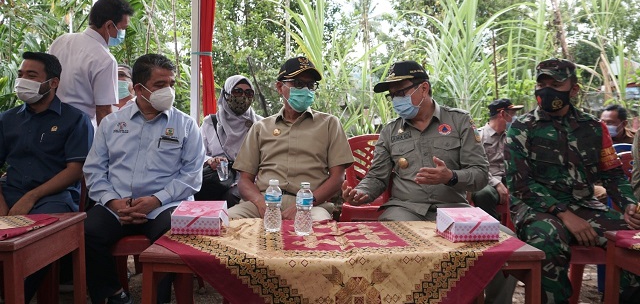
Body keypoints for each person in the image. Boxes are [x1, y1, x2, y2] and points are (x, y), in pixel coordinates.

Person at [341, 60, 516, 304]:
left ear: (423, 88)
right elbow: (376, 177)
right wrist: (360, 193)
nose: (395, 100)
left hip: (455, 212)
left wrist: (451, 176)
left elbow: (479, 175)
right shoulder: (390, 131)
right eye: (392, 95)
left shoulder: (459, 122)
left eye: (401, 92)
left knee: (507, 248)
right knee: (392, 249)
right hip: (404, 210)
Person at [505, 58, 640, 303]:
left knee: (632, 242)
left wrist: (629, 204)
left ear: (574, 89)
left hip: (585, 205)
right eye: (542, 84)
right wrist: (565, 215)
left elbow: (612, 174)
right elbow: (520, 184)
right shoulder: (522, 127)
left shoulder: (593, 127)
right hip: (535, 209)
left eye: (555, 85)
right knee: (549, 239)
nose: (546, 91)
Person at [83, 53, 205, 304]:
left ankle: (157, 299)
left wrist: (156, 200)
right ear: (139, 88)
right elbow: (94, 169)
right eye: (160, 85)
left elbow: (192, 175)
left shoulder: (185, 125)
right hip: (117, 204)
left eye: (171, 84)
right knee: (87, 232)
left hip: (164, 206)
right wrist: (112, 202)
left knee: (172, 235)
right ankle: (112, 294)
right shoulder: (112, 124)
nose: (168, 91)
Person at [0, 51, 93, 302]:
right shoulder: (7, 120)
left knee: (34, 240)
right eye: (21, 75)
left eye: (31, 75)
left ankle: (15, 295)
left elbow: (75, 170)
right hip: (10, 191)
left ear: (53, 83)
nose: (22, 81)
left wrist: (31, 197)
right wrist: (2, 203)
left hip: (55, 196)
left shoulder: (75, 120)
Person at [230, 56, 353, 221]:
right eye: (298, 84)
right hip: (264, 201)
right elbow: (245, 180)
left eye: (310, 85)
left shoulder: (329, 124)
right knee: (225, 223)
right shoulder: (261, 127)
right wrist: (260, 202)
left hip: (311, 204)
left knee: (319, 228)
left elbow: (338, 177)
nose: (306, 90)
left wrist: (304, 203)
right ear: (280, 87)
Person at [49, 0, 134, 128]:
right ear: (109, 25)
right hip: (79, 130)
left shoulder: (61, 41)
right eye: (122, 28)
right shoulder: (105, 59)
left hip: (49, 123)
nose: (122, 33)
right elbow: (104, 111)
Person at [196, 75, 263, 207]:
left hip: (248, 182)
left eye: (248, 93)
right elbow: (197, 154)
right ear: (225, 94)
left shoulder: (260, 124)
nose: (243, 97)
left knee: (232, 197)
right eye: (237, 91)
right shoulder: (211, 123)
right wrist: (210, 161)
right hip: (216, 180)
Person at [472, 99, 523, 220]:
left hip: (508, 180)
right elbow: (476, 165)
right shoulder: (479, 137)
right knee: (483, 194)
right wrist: (496, 183)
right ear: (502, 114)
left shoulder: (511, 137)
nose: (514, 118)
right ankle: (493, 228)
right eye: (512, 114)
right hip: (487, 180)